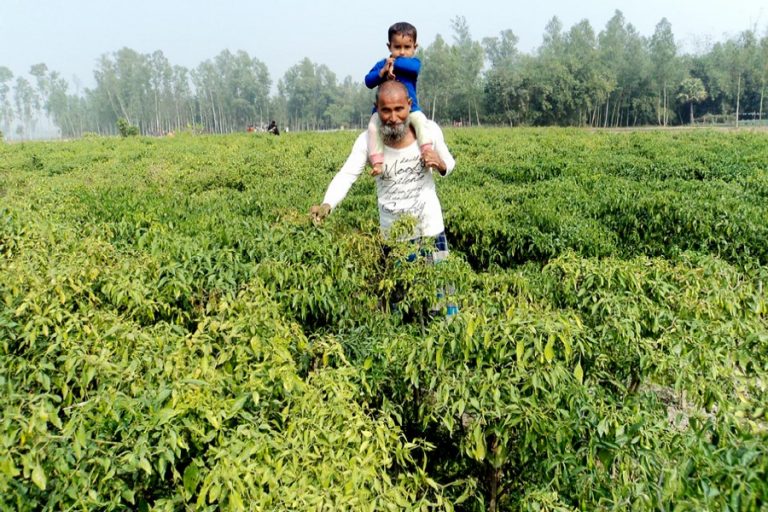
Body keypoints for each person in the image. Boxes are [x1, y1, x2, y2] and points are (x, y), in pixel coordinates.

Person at [364, 21, 432, 177]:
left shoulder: (413, 63)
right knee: (373, 127)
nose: (402, 52)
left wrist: (394, 63)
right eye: (397, 47)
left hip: (411, 108)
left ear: (415, 47)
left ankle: (427, 151)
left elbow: (413, 69)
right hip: (384, 113)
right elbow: (368, 81)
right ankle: (377, 162)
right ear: (389, 47)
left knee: (421, 122)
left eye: (407, 47)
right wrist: (382, 72)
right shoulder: (382, 64)